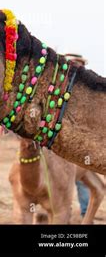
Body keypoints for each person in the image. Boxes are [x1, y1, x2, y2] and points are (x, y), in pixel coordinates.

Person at [64, 53, 90, 217]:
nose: (75, 67)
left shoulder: (87, 90)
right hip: (60, 142)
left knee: (80, 179)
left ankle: (84, 213)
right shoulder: (58, 87)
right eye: (72, 64)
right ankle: (63, 211)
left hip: (81, 143)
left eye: (78, 64)